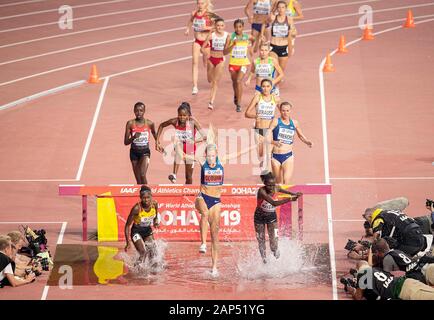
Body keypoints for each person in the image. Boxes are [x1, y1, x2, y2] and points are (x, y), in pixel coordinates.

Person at [255, 172, 301, 263]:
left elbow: (284, 190)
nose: (272, 188)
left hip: (271, 217)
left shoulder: (275, 187)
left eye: (273, 185)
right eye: (269, 185)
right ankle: (264, 261)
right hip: (259, 217)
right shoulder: (262, 191)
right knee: (261, 240)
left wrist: (294, 194)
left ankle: (277, 260)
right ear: (264, 183)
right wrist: (291, 199)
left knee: (274, 243)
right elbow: (274, 203)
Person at [156, 102, 206, 184]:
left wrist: (194, 141)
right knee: (178, 144)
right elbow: (161, 125)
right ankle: (174, 174)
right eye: (180, 115)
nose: (182, 117)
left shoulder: (192, 122)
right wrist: (157, 141)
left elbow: (204, 136)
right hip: (180, 146)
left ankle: (188, 192)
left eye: (184, 115)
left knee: (188, 177)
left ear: (188, 115)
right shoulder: (175, 121)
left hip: (190, 149)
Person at [268, 101, 312, 184]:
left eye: (287, 110)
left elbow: (300, 136)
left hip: (288, 156)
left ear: (290, 111)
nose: (285, 113)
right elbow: (267, 135)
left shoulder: (294, 123)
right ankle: (280, 197)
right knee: (278, 183)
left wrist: (307, 141)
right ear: (280, 111)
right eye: (283, 110)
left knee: (286, 180)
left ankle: (287, 197)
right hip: (275, 157)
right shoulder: (275, 121)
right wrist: (274, 142)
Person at [346, 260, 434, 300]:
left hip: (404, 291)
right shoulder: (376, 269)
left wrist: (352, 290)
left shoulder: (362, 274)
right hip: (407, 282)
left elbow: (358, 297)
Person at [245, 79, 280, 172]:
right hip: (259, 129)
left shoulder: (276, 99)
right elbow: (247, 113)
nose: (265, 88)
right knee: (260, 154)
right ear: (261, 87)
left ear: (271, 87)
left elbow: (282, 113)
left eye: (268, 86)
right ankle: (265, 161)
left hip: (270, 130)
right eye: (263, 86)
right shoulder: (257, 97)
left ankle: (268, 175)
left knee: (266, 155)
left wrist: (278, 123)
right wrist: (255, 116)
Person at [363, 208, 428, 257]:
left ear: (370, 216)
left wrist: (370, 250)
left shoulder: (378, 218)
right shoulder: (388, 212)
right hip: (420, 237)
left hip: (411, 243)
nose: (369, 223)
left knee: (384, 247)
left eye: (368, 220)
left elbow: (376, 238)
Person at [124, 186, 160, 266]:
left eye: (148, 197)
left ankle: (152, 272)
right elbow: (127, 226)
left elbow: (156, 215)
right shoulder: (137, 208)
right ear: (140, 198)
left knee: (153, 252)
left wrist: (155, 221)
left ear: (151, 196)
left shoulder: (155, 204)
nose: (146, 200)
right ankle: (135, 270)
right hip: (136, 232)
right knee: (143, 253)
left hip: (147, 231)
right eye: (144, 198)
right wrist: (128, 242)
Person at [224, 19, 255, 112]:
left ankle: (239, 103)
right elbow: (224, 52)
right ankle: (236, 94)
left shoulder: (247, 36)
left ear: (243, 27)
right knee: (234, 82)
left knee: (238, 81)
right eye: (236, 27)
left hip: (244, 63)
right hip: (233, 63)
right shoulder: (230, 37)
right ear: (234, 27)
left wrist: (250, 47)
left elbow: (254, 39)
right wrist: (232, 45)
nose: (238, 29)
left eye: (240, 27)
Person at [124, 102, 158, 185]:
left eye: (141, 111)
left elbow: (154, 133)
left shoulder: (149, 123)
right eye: (136, 111)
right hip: (134, 153)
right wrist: (133, 137)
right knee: (138, 180)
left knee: (142, 174)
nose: (139, 113)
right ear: (134, 111)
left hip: (145, 152)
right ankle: (141, 196)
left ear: (144, 111)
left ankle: (148, 192)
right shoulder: (130, 123)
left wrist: (158, 143)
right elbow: (125, 142)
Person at [185, 0, 215, 95]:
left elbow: (216, 27)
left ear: (206, 3)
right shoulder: (194, 13)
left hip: (206, 42)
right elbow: (190, 21)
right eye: (198, 3)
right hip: (197, 41)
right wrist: (187, 29)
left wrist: (206, 28)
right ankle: (195, 86)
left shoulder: (210, 14)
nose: (200, 5)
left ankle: (209, 73)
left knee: (208, 68)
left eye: (202, 3)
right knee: (194, 62)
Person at [201, 17, 229, 110]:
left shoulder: (227, 35)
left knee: (215, 81)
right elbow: (202, 48)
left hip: (220, 60)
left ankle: (211, 102)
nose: (219, 27)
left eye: (221, 25)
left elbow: (227, 49)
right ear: (215, 26)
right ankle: (208, 74)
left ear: (224, 26)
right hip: (211, 59)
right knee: (209, 79)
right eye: (218, 25)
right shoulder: (212, 35)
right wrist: (206, 54)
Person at [263, 1, 295, 75]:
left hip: (284, 47)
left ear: (286, 9)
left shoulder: (289, 19)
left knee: (280, 72)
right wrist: (262, 34)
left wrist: (290, 48)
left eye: (283, 7)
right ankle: (270, 84)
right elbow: (264, 23)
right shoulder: (273, 18)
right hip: (273, 46)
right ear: (277, 8)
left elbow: (293, 33)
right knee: (271, 68)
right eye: (279, 7)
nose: (281, 9)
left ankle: (276, 84)